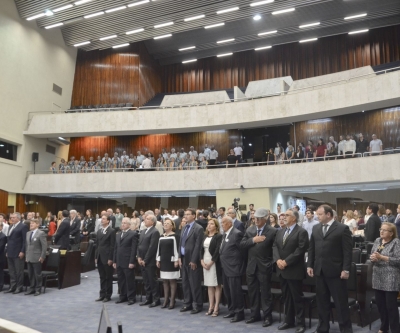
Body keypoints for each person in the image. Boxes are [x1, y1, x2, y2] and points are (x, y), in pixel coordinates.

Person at [307, 204, 353, 333]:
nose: (317, 216)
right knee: (322, 302)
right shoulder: (316, 228)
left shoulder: (342, 228)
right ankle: (322, 328)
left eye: (320, 214)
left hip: (336, 272)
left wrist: (346, 269)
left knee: (340, 303)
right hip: (320, 271)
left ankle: (345, 329)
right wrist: (310, 265)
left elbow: (347, 252)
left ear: (328, 214)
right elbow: (312, 249)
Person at [273, 209, 309, 333]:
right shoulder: (280, 231)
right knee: (286, 297)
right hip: (282, 270)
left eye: (287, 215)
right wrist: (277, 260)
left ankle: (301, 323)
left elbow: (300, 249)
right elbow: (275, 246)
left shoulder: (301, 232)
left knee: (297, 298)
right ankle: (288, 321)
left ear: (294, 218)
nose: (283, 217)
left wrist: (286, 261)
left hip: (294, 269)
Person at [240, 208, 277, 327]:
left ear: (265, 219)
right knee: (253, 292)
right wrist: (253, 240)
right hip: (251, 267)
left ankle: (268, 316)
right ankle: (254, 315)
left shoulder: (272, 231)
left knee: (266, 293)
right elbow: (242, 245)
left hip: (264, 266)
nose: (256, 220)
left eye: (259, 218)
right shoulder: (250, 230)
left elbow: (275, 249)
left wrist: (270, 263)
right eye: (255, 218)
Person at [369, 222, 400, 333]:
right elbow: (372, 253)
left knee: (391, 307)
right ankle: (384, 327)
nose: (381, 231)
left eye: (384, 230)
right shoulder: (378, 240)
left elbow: (398, 260)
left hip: (390, 278)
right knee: (381, 305)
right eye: (380, 229)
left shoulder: (396, 243)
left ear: (391, 233)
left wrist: (382, 257)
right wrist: (373, 258)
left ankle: (395, 329)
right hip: (377, 277)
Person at [220, 216, 245, 323]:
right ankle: (232, 310)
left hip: (234, 267)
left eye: (223, 223)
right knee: (228, 291)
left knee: (235, 291)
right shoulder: (225, 234)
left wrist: (239, 265)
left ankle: (239, 313)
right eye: (221, 223)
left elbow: (242, 251)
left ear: (230, 223)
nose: (222, 224)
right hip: (225, 267)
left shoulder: (237, 233)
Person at [178, 208, 204, 314]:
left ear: (194, 216)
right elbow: (181, 243)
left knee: (194, 283)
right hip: (184, 258)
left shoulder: (198, 228)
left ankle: (198, 305)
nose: (186, 216)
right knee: (185, 283)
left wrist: (194, 260)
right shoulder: (184, 227)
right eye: (185, 214)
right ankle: (187, 303)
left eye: (188, 214)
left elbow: (198, 246)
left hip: (192, 260)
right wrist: (179, 256)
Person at [113, 218, 138, 305]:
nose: (122, 224)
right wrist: (114, 261)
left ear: (129, 225)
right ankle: (122, 296)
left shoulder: (133, 234)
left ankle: (131, 297)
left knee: (129, 280)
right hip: (119, 261)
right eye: (122, 223)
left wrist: (132, 262)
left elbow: (133, 249)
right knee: (121, 280)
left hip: (128, 261)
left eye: (124, 223)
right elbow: (115, 249)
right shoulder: (118, 234)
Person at [156, 218, 180, 309]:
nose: (165, 224)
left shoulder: (175, 236)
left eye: (167, 223)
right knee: (165, 281)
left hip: (172, 261)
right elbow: (159, 249)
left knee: (172, 280)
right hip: (164, 260)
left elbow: (176, 249)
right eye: (164, 223)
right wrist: (158, 260)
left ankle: (172, 300)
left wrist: (176, 260)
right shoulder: (161, 236)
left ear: (172, 226)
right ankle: (166, 300)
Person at [201, 219, 223, 317]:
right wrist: (201, 261)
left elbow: (217, 251)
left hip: (214, 262)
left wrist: (211, 262)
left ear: (216, 226)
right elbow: (200, 249)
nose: (209, 226)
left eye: (211, 224)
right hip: (205, 261)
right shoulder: (204, 236)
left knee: (216, 285)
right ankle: (211, 306)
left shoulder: (218, 236)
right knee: (209, 285)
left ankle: (217, 307)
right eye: (208, 224)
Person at [137, 214, 160, 307]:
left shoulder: (155, 232)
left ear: (153, 222)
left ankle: (156, 299)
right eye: (145, 218)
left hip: (149, 260)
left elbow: (152, 248)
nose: (145, 220)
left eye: (147, 219)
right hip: (141, 259)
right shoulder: (143, 231)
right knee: (146, 281)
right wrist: (138, 257)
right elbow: (139, 246)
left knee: (152, 280)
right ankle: (148, 298)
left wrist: (145, 260)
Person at [4, 212, 28, 294]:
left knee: (19, 271)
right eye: (11, 217)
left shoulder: (23, 226)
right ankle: (12, 286)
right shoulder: (10, 226)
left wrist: (22, 251)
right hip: (10, 252)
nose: (12, 219)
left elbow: (25, 241)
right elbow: (8, 240)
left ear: (18, 218)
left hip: (18, 252)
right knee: (12, 271)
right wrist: (7, 250)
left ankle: (19, 287)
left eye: (13, 217)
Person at [95, 214, 116, 303]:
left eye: (104, 219)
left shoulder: (111, 231)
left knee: (108, 277)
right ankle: (102, 294)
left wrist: (110, 258)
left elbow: (112, 246)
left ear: (108, 221)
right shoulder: (99, 231)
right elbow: (97, 245)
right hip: (100, 256)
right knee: (102, 277)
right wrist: (96, 256)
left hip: (107, 257)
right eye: (101, 219)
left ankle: (108, 295)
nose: (102, 220)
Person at [25, 219, 47, 296]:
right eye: (30, 223)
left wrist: (42, 256)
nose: (31, 225)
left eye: (33, 223)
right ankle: (32, 288)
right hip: (29, 256)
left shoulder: (41, 233)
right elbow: (27, 246)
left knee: (37, 274)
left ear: (37, 224)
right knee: (30, 274)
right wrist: (26, 256)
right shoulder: (28, 233)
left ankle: (38, 289)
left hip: (37, 256)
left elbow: (44, 246)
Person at [0, 222, 7, 291]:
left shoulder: (3, 236)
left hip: (0, 257)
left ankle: (0, 285)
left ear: (1, 227)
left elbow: (1, 247)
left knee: (0, 272)